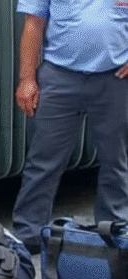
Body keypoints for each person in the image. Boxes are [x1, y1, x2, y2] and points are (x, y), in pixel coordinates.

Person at [12, 2, 128, 254]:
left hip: (115, 79)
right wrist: (27, 79)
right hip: (59, 77)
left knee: (116, 161)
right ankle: (27, 237)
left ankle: (116, 234)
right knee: (43, 162)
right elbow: (33, 25)